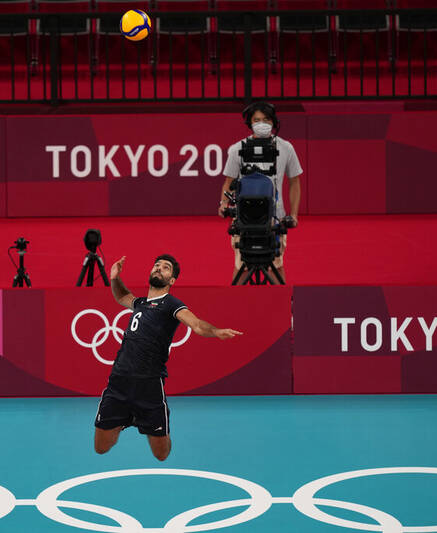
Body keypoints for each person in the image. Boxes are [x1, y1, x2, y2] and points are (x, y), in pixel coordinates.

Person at [94, 254, 243, 461]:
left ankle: (144, 421)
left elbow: (197, 324)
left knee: (161, 454)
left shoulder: (171, 304)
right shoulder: (140, 303)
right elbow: (122, 296)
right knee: (100, 447)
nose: (159, 268)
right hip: (119, 382)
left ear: (171, 280)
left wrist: (216, 331)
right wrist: (115, 277)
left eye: (165, 267)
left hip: (149, 386)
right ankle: (126, 420)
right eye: (156, 265)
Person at [218, 102, 303, 284]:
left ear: (274, 122)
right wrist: (223, 204)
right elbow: (228, 183)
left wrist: (294, 214)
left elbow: (295, 181)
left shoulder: (286, 148)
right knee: (242, 268)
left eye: (266, 119)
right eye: (256, 120)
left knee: (276, 267)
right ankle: (236, 303)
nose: (261, 123)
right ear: (250, 123)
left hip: (275, 219)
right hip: (244, 219)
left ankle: (281, 304)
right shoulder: (237, 149)